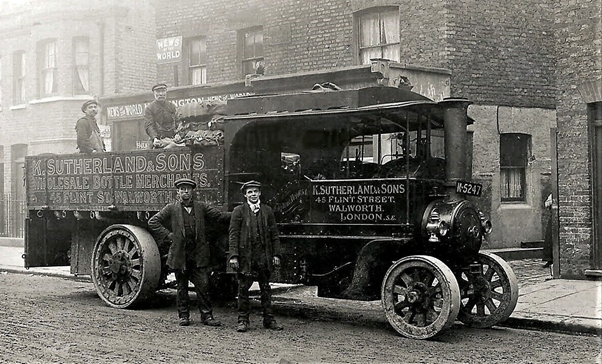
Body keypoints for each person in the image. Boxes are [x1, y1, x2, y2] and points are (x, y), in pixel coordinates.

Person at [148, 177, 230, 326]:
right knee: (182, 286)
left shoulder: (201, 207)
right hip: (180, 254)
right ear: (178, 192)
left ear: (192, 191)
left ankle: (207, 316)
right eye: (182, 189)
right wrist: (169, 235)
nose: (185, 191)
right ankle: (183, 316)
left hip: (198, 253)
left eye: (188, 189)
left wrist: (238, 214)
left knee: (203, 285)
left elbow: (219, 216)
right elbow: (153, 221)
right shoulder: (171, 208)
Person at [228, 180, 283, 332]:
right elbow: (233, 235)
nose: (253, 194)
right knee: (243, 290)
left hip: (263, 257)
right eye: (249, 192)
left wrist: (276, 254)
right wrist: (233, 256)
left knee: (266, 290)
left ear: (260, 193)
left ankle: (269, 320)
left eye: (255, 191)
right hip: (247, 258)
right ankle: (243, 321)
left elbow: (274, 235)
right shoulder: (238, 211)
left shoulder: (267, 211)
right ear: (245, 195)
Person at [144, 83, 177, 149]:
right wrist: (154, 138)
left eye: (163, 91)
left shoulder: (172, 106)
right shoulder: (150, 108)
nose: (161, 94)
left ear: (166, 92)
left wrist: (178, 135)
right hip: (157, 140)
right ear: (154, 93)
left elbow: (178, 121)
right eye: (158, 91)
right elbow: (149, 125)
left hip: (171, 139)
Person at [542, 193, 554, 268]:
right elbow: (546, 204)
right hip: (553, 218)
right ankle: (549, 260)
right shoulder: (552, 195)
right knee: (549, 238)